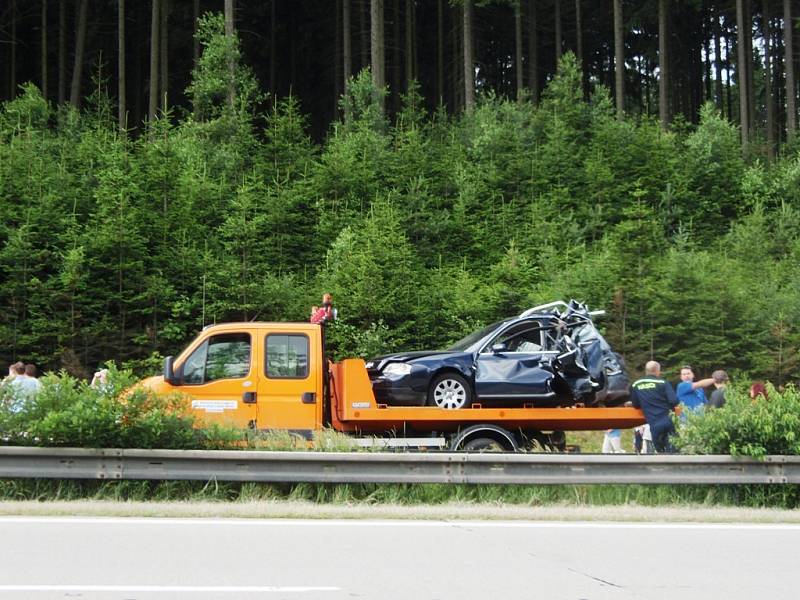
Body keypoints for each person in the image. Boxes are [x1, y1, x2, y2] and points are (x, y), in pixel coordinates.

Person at [628, 360, 679, 453]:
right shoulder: (663, 383)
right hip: (668, 421)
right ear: (657, 371)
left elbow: (635, 404)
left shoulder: (636, 384)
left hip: (654, 424)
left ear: (646, 371)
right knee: (674, 451)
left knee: (660, 452)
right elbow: (674, 401)